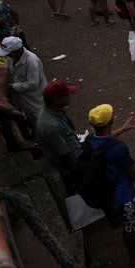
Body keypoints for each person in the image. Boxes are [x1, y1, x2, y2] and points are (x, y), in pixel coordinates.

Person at [87, 104, 135, 266]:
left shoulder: (90, 140)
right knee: (130, 227)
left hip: (106, 191)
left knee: (127, 222)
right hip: (123, 194)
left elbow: (106, 140)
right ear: (111, 120)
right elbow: (132, 172)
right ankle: (134, 257)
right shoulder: (119, 149)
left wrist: (122, 130)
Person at [35, 80, 81, 212]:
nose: (69, 97)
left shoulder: (56, 112)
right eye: (66, 95)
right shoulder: (50, 126)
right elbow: (65, 156)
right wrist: (81, 172)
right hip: (71, 166)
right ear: (56, 99)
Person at [0, 36, 47, 132]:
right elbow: (7, 69)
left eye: (9, 53)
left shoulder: (31, 61)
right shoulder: (12, 58)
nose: (8, 56)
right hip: (22, 97)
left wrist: (11, 86)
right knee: (30, 119)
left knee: (40, 122)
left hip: (34, 99)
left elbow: (32, 83)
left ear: (18, 51)